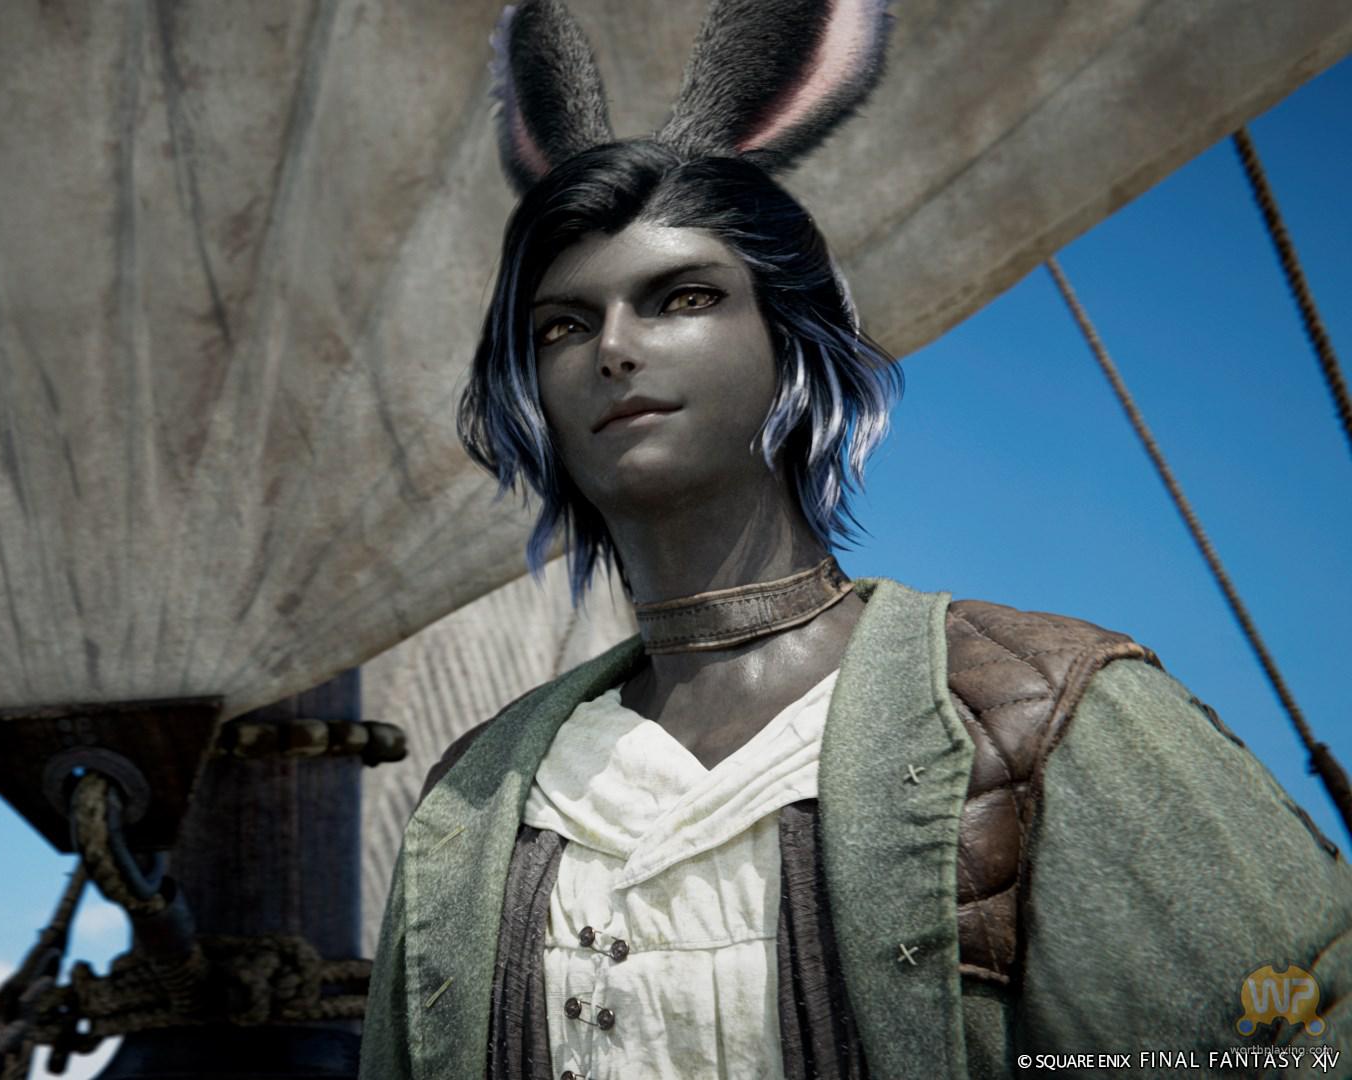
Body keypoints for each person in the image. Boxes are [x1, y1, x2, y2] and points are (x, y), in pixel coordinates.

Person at [361, 2, 1352, 1077]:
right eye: (564, 324)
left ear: (790, 343)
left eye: (684, 297)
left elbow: (1297, 1041)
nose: (615, 348)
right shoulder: (475, 804)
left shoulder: (1042, 715)